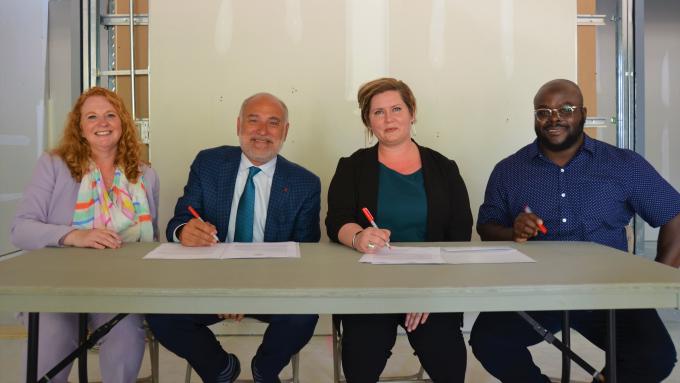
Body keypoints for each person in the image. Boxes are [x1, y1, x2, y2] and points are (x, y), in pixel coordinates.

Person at [469, 79, 680, 382]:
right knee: (490, 341)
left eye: (565, 109)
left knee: (655, 357)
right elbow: (487, 226)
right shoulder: (510, 170)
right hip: (535, 291)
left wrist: (658, 280)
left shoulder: (622, 165)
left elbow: (674, 215)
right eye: (543, 111)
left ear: (582, 112)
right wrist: (512, 232)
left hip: (609, 291)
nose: (554, 118)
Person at [146, 92, 320, 383]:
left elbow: (304, 255)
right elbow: (179, 219)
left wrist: (248, 290)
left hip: (272, 286)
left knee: (305, 314)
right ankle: (220, 369)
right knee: (160, 313)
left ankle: (264, 370)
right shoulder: (209, 163)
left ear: (285, 131)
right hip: (209, 281)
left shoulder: (304, 183)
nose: (262, 131)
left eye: (273, 123)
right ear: (239, 125)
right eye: (254, 121)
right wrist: (183, 230)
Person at [325, 77, 473, 382]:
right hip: (370, 285)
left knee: (450, 365)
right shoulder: (351, 167)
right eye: (378, 112)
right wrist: (357, 237)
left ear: (412, 112)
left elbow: (460, 233)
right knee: (360, 362)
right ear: (368, 120)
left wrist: (429, 293)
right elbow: (336, 221)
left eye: (396, 108)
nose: (389, 119)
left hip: (431, 283)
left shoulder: (445, 168)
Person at [10, 87, 159, 382]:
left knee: (127, 334)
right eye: (91, 116)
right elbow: (21, 229)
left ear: (122, 122)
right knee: (54, 337)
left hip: (122, 288)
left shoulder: (145, 174)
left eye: (109, 115)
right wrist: (74, 235)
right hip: (58, 286)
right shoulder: (53, 165)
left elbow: (152, 241)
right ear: (79, 127)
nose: (101, 123)